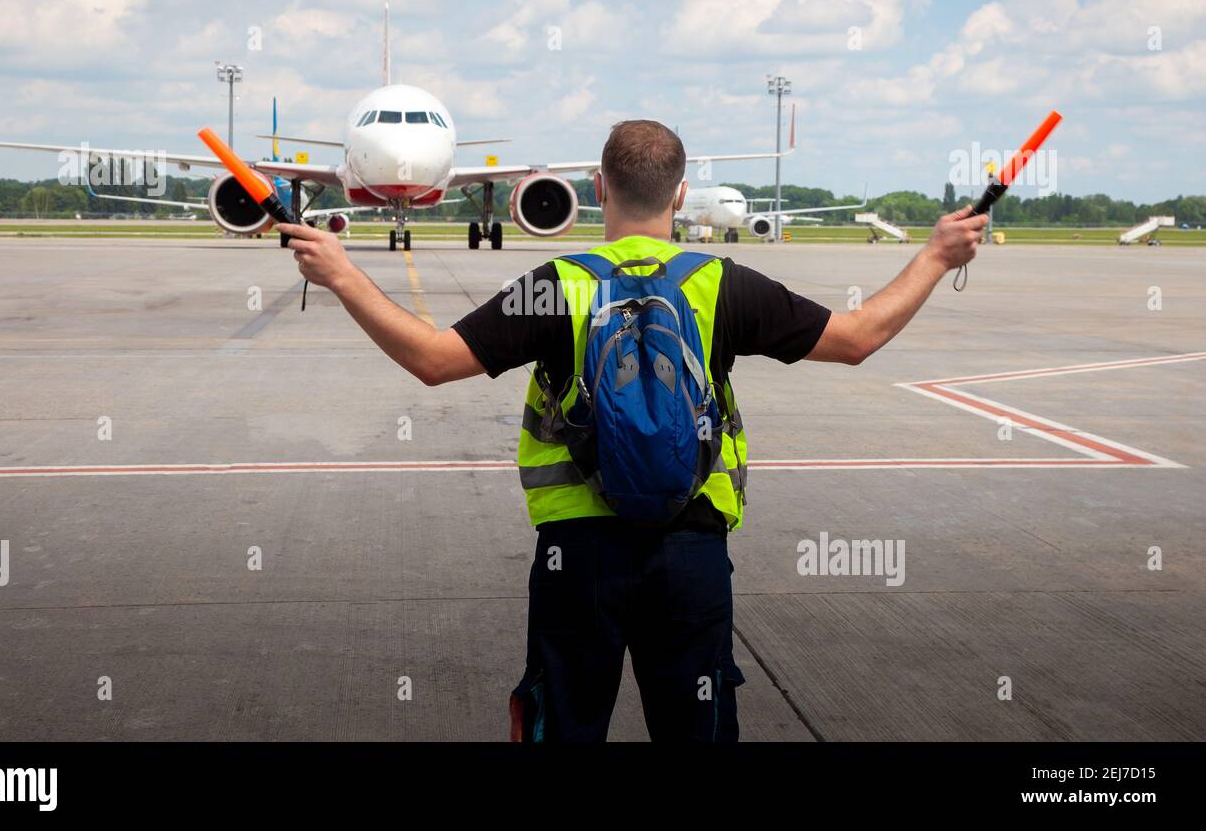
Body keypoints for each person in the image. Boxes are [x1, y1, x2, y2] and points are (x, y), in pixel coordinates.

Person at [278, 119, 986, 743]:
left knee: (567, 722)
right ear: (680, 195)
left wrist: (343, 275)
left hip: (575, 556)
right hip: (692, 553)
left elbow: (433, 359)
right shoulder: (724, 282)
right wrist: (934, 254)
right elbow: (858, 337)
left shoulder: (556, 283)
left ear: (597, 186)